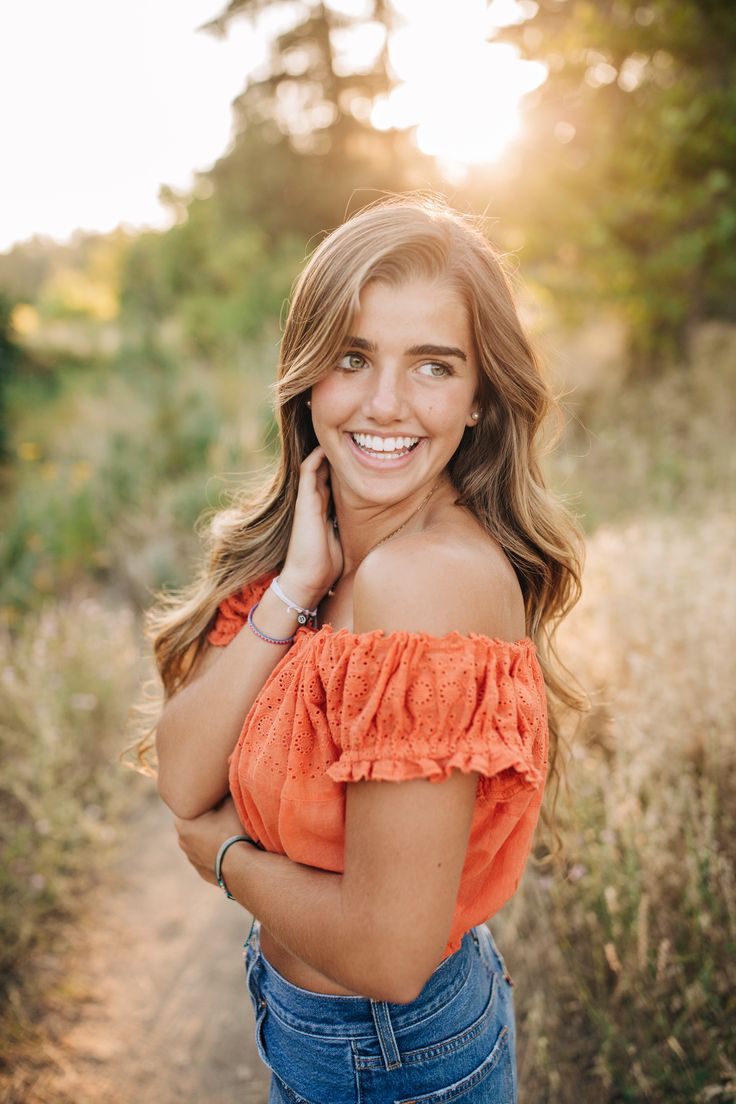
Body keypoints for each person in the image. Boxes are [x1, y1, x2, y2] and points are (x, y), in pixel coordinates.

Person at [140, 194, 584, 1103]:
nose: (385, 403)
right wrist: (299, 584)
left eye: (432, 366)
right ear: (308, 379)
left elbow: (389, 955)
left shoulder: (421, 581)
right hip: (327, 1034)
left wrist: (228, 860)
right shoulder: (323, 544)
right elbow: (184, 780)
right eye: (353, 357)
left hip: (390, 1058)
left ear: (477, 401)